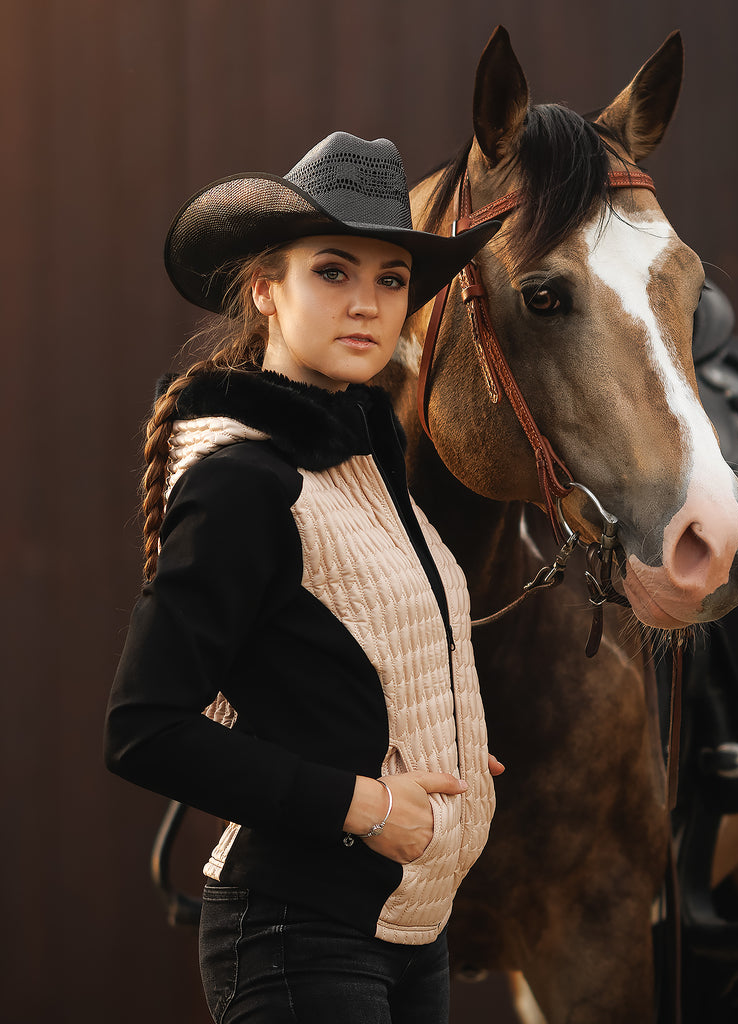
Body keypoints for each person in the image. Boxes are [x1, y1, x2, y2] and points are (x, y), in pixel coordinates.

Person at [104, 131, 504, 1024]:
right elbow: (143, 728)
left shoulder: (363, 460)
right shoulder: (242, 481)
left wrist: (435, 726)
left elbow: (330, 651)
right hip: (298, 937)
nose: (366, 303)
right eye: (332, 271)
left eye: (391, 279)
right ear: (265, 289)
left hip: (409, 931)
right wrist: (364, 804)